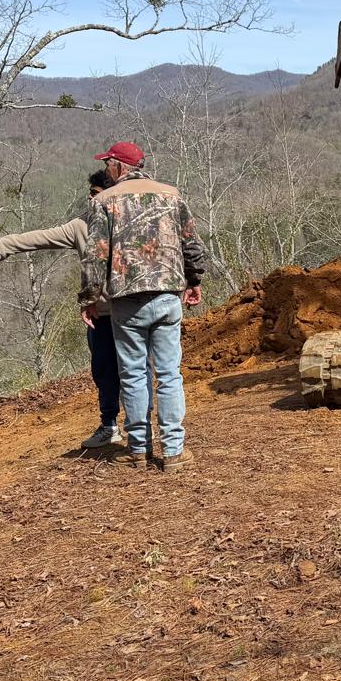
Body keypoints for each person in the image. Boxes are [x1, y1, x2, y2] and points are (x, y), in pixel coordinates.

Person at [0, 170, 124, 450]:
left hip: (130, 312)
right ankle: (110, 426)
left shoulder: (130, 220)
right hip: (101, 314)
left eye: (96, 194)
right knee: (103, 372)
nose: (91, 200)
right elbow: (40, 238)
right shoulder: (82, 225)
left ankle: (144, 430)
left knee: (134, 371)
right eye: (90, 194)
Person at [80, 141, 206, 473]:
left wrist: (90, 298)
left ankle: (138, 450)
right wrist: (194, 281)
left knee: (133, 374)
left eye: (108, 164)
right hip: (167, 293)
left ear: (120, 167)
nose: (107, 169)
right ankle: (174, 451)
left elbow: (96, 254)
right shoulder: (171, 195)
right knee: (168, 374)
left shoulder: (104, 202)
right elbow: (191, 242)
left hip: (126, 300)